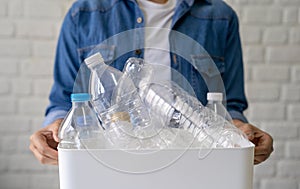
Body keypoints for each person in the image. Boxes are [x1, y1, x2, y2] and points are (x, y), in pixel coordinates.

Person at [29, 0, 273, 165]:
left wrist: (241, 132)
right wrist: (55, 128)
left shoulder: (219, 17)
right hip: (108, 168)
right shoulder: (84, 13)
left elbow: (229, 104)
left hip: (196, 166)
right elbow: (63, 100)